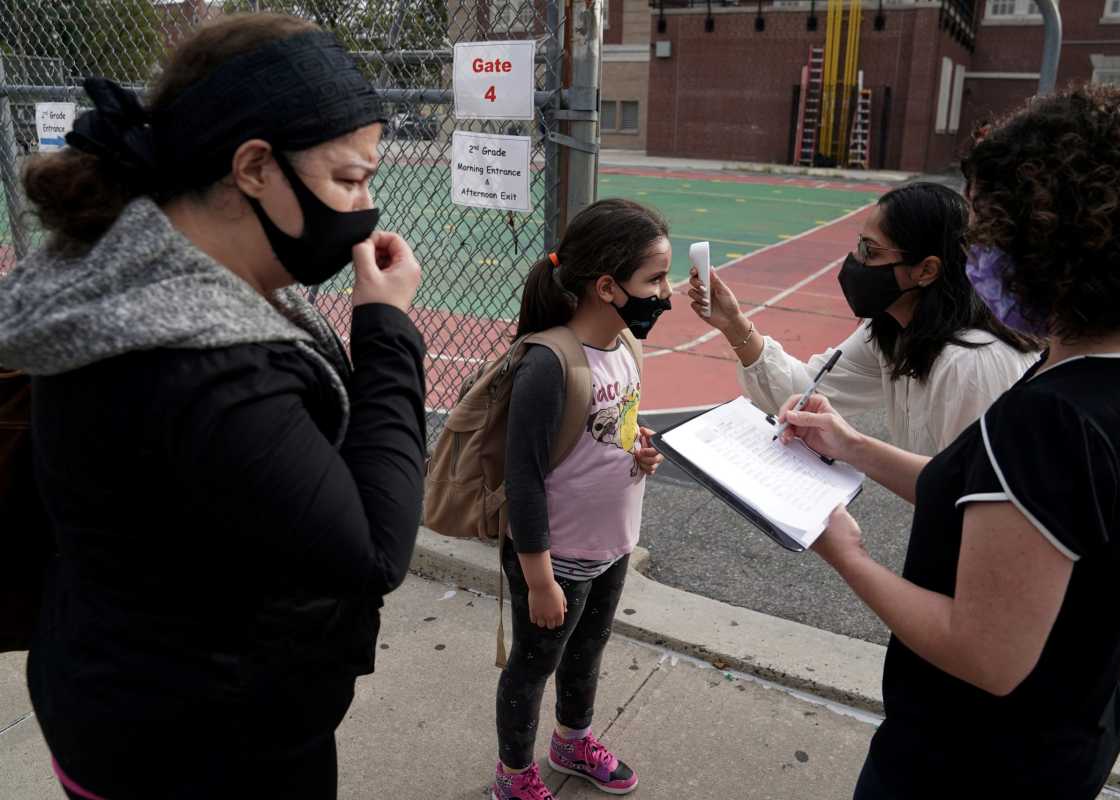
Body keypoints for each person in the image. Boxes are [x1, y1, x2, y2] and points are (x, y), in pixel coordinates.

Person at [0, 14, 427, 799]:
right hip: (199, 749)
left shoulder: (120, 259)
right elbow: (371, 551)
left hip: (110, 688)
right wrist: (388, 332)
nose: (364, 208)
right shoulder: (209, 365)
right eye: (348, 178)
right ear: (254, 166)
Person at [779, 84, 1120, 799]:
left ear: (1055, 242)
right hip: (1060, 730)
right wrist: (853, 445)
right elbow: (991, 498)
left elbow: (985, 654)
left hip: (974, 762)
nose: (976, 252)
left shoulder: (1053, 417)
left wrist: (843, 552)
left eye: (987, 228)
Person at [493, 199, 670, 800]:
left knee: (588, 651)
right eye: (655, 280)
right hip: (555, 558)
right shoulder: (549, 363)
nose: (665, 295)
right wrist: (539, 580)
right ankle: (513, 776)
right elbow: (524, 480)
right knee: (533, 665)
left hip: (611, 543)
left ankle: (571, 741)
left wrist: (639, 454)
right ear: (607, 287)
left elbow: (613, 433)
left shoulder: (627, 349)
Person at [688, 182, 1040, 455]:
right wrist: (734, 323)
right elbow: (803, 391)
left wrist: (853, 453)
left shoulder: (973, 362)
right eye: (860, 245)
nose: (856, 260)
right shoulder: (893, 330)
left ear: (926, 270)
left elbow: (968, 495)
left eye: (870, 251)